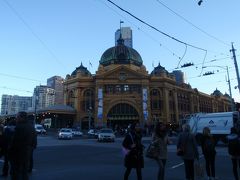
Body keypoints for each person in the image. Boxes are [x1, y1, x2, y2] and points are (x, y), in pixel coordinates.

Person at [9, 111, 36, 180]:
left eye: (17, 117)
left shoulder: (19, 127)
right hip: (27, 153)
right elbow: (34, 141)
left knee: (16, 172)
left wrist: (10, 152)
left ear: (22, 118)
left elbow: (15, 142)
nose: (16, 118)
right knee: (24, 172)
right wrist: (30, 149)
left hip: (18, 154)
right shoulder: (31, 126)